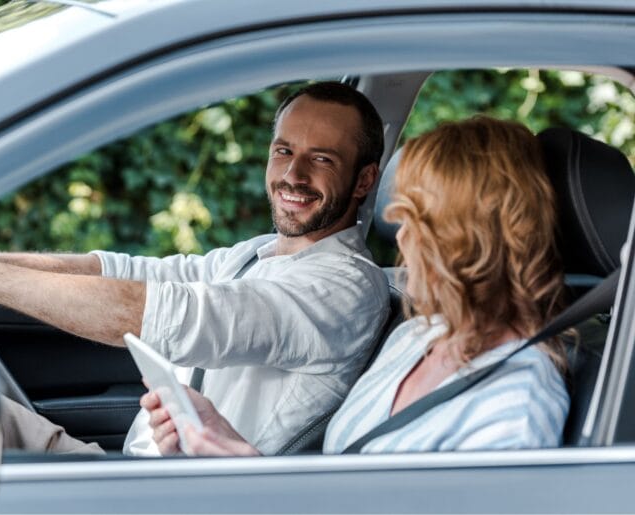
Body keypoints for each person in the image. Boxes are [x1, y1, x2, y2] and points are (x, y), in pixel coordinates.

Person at [0, 81, 391, 456]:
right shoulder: (262, 253)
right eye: (284, 151)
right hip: (133, 474)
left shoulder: (344, 287)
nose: (293, 174)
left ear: (365, 180)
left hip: (173, 500)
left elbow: (160, 313)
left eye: (321, 160)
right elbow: (127, 272)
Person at [144, 116, 570, 456]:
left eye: (418, 221)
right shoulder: (420, 336)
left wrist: (244, 472)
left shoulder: (515, 408)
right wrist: (226, 443)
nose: (402, 239)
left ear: (474, 235)